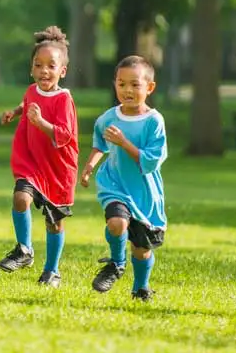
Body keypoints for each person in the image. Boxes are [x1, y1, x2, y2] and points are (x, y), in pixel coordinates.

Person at [0, 26, 79, 288]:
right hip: (31, 161)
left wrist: (41, 123)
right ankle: (24, 249)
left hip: (57, 168)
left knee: (54, 223)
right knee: (20, 198)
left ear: (62, 71)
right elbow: (29, 102)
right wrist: (16, 111)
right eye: (38, 65)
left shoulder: (64, 99)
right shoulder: (32, 90)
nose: (44, 71)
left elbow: (65, 134)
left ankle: (52, 271)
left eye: (51, 66)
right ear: (31, 68)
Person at [79, 55, 168, 302]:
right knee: (117, 224)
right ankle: (116, 263)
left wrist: (124, 142)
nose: (127, 90)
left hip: (144, 192)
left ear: (149, 87)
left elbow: (150, 161)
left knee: (141, 250)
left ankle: (141, 287)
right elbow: (100, 144)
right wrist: (89, 166)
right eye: (121, 84)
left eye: (134, 84)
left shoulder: (154, 122)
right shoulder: (109, 117)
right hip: (114, 184)